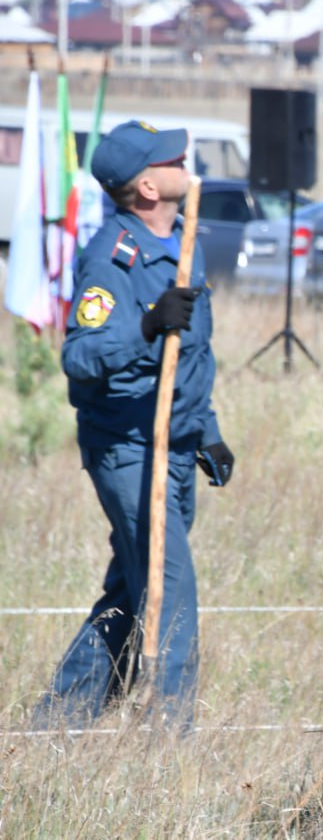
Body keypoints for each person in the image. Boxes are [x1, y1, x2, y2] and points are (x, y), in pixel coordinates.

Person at [36, 120, 234, 731]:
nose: (187, 161)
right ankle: (171, 737)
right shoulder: (111, 257)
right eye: (174, 158)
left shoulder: (183, 239)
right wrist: (146, 325)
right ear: (148, 186)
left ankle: (59, 721)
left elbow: (192, 356)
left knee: (134, 587)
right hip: (126, 446)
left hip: (175, 442)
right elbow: (81, 356)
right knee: (170, 587)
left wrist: (206, 428)